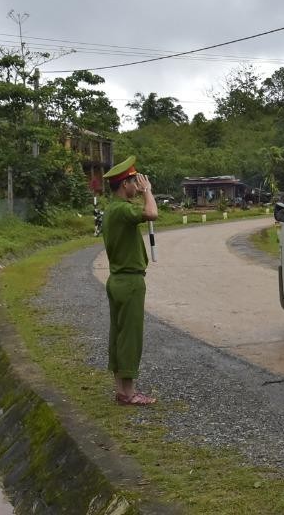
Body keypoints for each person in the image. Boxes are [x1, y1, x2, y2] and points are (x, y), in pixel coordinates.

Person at [101, 156, 158, 406]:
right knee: (130, 336)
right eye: (134, 181)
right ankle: (130, 392)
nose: (138, 184)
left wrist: (143, 192)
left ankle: (120, 389)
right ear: (124, 185)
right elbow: (152, 213)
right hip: (130, 282)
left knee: (118, 334)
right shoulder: (123, 210)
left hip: (116, 280)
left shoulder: (111, 210)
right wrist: (148, 193)